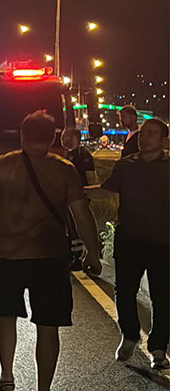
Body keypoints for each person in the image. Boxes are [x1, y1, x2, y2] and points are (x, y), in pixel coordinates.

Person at [0, 110, 102, 391]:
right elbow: (81, 213)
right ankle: (44, 388)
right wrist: (93, 251)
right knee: (48, 326)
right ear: (53, 138)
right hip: (49, 257)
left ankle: (7, 376)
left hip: (9, 255)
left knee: (6, 316)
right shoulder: (64, 170)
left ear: (22, 135)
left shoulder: (3, 166)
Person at [84, 118, 170, 369]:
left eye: (152, 134)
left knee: (162, 297)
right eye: (143, 134)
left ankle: (157, 348)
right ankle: (130, 334)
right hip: (129, 239)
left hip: (163, 242)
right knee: (124, 291)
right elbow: (106, 190)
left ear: (164, 140)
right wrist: (76, 191)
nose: (145, 138)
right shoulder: (126, 166)